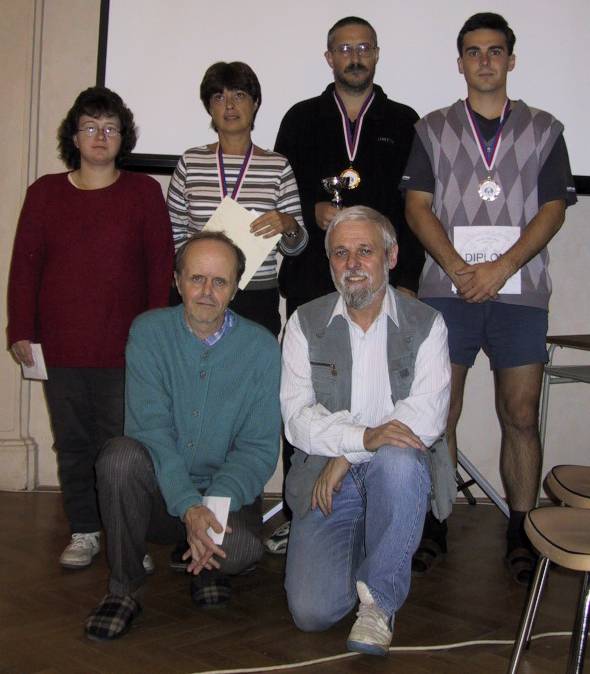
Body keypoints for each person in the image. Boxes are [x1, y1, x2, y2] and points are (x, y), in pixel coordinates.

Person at [401, 12, 577, 583]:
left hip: (519, 292)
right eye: (473, 52)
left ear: (511, 60)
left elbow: (553, 210)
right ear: (460, 63)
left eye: (495, 51)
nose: (484, 61)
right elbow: (416, 208)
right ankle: (436, 522)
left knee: (520, 414)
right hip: (446, 292)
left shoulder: (546, 128)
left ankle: (521, 531)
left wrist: (500, 269)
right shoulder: (431, 129)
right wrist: (459, 270)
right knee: (439, 412)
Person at [268, 16, 424, 552]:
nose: (354, 56)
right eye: (343, 48)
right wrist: (307, 211)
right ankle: (302, 510)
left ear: (376, 54)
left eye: (363, 47)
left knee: (387, 390)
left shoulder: (404, 121)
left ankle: (391, 509)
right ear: (329, 57)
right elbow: (281, 197)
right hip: (315, 278)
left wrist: (407, 280)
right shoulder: (301, 118)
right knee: (308, 394)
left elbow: (415, 209)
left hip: (382, 283)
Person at [7, 86, 174, 570]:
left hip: (126, 349)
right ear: (74, 137)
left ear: (123, 138)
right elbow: (25, 267)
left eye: (110, 128)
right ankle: (84, 530)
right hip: (60, 347)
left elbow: (159, 267)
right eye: (90, 127)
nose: (100, 137)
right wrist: (20, 328)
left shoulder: (144, 193)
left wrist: (152, 337)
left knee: (123, 448)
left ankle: (127, 537)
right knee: (73, 443)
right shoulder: (44, 193)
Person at [84, 231, 281, 641]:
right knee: (118, 458)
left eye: (220, 281)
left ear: (235, 288)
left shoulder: (262, 348)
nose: (207, 292)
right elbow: (149, 430)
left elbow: (257, 447)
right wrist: (189, 507)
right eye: (196, 279)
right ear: (177, 281)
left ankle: (205, 566)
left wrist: (210, 508)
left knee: (243, 552)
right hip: (161, 496)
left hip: (225, 497)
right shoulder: (149, 332)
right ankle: (124, 589)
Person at [281, 206, 453, 655]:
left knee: (399, 460)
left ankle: (378, 604)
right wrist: (362, 439)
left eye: (365, 251)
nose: (352, 264)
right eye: (341, 253)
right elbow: (297, 419)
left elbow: (427, 417)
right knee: (311, 613)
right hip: (322, 476)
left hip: (387, 471)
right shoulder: (303, 323)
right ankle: (374, 549)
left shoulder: (427, 323)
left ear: (391, 257)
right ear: (329, 262)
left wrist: (349, 453)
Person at [167, 60, 307, 338]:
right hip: (199, 293)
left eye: (239, 95)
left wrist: (289, 225)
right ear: (210, 107)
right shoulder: (190, 162)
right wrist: (191, 278)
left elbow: (296, 247)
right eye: (219, 97)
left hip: (255, 294)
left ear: (255, 103)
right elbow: (173, 235)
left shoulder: (278, 166)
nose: (229, 106)